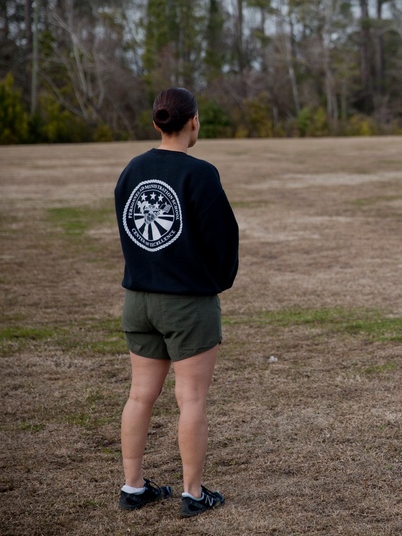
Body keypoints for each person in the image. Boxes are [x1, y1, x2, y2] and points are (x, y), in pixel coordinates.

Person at [115, 87, 239, 517]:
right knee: (191, 399)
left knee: (139, 396)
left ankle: (133, 487)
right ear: (194, 122)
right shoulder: (200, 174)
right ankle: (192, 493)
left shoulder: (133, 169)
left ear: (156, 123)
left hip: (138, 300)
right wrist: (216, 282)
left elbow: (130, 229)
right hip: (186, 302)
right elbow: (222, 240)